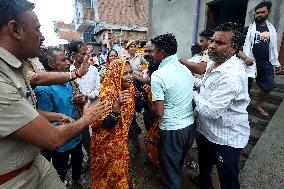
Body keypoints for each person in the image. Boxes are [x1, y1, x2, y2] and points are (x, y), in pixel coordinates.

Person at [0, 1, 111, 188]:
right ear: (15, 30)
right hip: (14, 179)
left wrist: (75, 76)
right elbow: (52, 138)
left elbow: (35, 81)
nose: (42, 36)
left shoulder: (16, 66)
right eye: (37, 29)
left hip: (35, 163)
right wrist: (88, 117)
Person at [193, 22, 250, 189]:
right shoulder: (214, 63)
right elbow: (206, 86)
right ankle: (204, 183)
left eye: (219, 43)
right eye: (211, 41)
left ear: (234, 48)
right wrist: (190, 82)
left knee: (228, 179)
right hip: (207, 131)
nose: (211, 46)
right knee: (204, 166)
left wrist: (191, 93)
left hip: (225, 138)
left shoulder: (232, 74)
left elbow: (211, 111)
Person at [35, 47, 85, 186]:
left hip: (76, 134)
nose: (68, 62)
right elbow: (46, 119)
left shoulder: (68, 80)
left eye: (66, 58)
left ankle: (77, 179)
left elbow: (78, 98)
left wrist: (81, 99)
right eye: (63, 60)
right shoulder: (44, 89)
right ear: (51, 64)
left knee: (78, 160)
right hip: (61, 141)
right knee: (60, 171)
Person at [150, 33, 195, 189]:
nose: (152, 54)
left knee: (170, 175)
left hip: (171, 131)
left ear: (161, 53)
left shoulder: (158, 75)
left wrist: (149, 99)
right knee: (176, 165)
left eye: (154, 51)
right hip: (189, 127)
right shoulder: (185, 69)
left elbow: (159, 112)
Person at [90, 59, 135, 188]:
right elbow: (107, 124)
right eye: (125, 73)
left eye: (131, 72)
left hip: (120, 142)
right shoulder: (108, 94)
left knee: (119, 175)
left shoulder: (129, 89)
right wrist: (117, 106)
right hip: (106, 145)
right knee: (106, 178)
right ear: (116, 74)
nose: (129, 76)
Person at [238, 1, 282, 117]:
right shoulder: (247, 30)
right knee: (244, 88)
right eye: (257, 12)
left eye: (263, 12)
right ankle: (242, 107)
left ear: (269, 12)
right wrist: (245, 58)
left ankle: (258, 105)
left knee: (268, 86)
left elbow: (272, 48)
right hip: (248, 63)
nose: (259, 14)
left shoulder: (271, 30)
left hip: (266, 62)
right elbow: (236, 48)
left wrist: (276, 63)